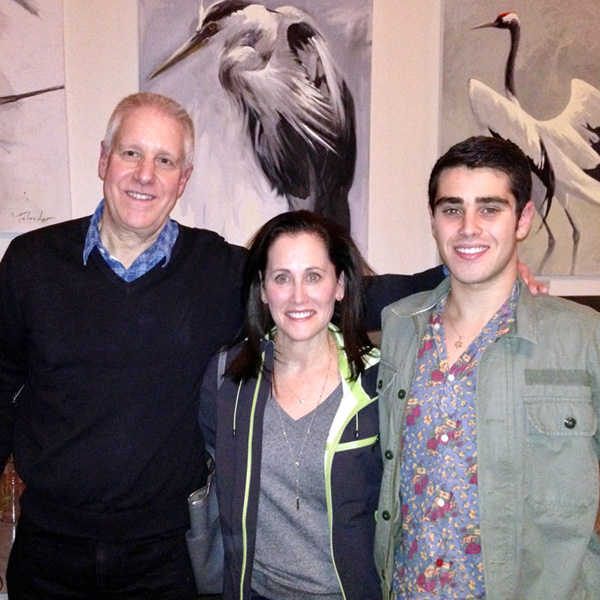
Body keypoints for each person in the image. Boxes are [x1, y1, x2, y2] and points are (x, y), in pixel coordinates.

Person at [0, 92, 447, 599]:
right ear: (104, 159)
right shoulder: (31, 263)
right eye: (131, 153)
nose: (146, 174)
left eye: (165, 160)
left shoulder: (218, 270)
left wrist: (460, 277)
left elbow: (337, 295)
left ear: (182, 179)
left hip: (167, 560)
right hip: (49, 552)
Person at [374, 136, 600, 599]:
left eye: (490, 209)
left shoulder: (583, 338)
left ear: (523, 220)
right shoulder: (399, 327)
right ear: (435, 221)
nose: (468, 228)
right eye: (452, 209)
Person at [199, 210, 383, 599]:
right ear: (263, 290)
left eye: (313, 276)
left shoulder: (379, 385)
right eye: (282, 278)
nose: (299, 296)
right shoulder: (227, 379)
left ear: (340, 285)